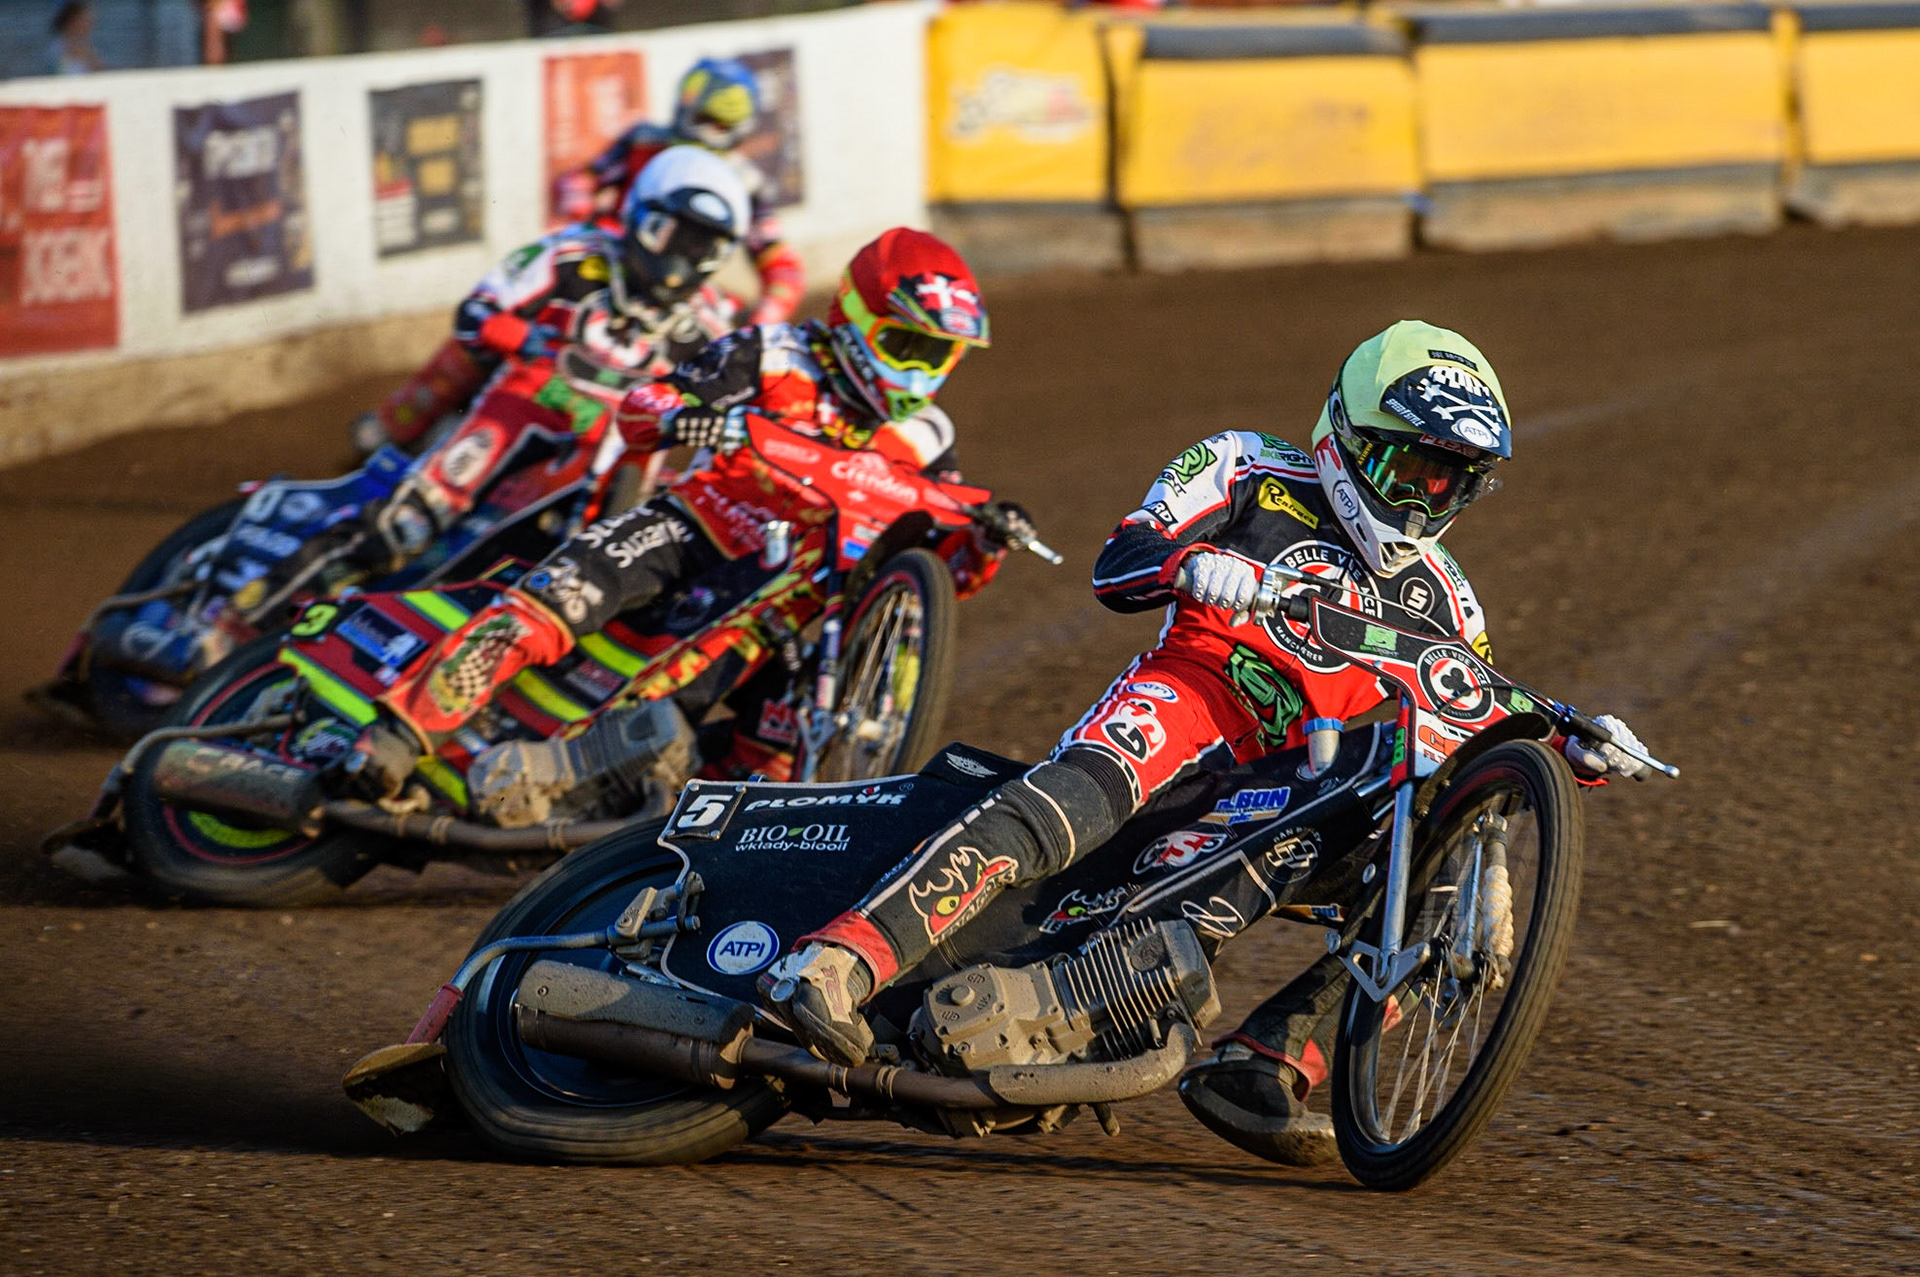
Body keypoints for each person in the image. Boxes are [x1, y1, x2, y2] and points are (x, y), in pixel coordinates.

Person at [753, 320, 1652, 1164]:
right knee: (1074, 796)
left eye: (1451, 478)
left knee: (1440, 878)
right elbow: (1119, 560)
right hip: (1186, 700)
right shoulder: (1247, 466)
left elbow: (1471, 717)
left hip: (1289, 780)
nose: (1423, 496)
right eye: (1409, 465)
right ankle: (837, 957)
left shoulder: (1447, 595)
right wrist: (1192, 563)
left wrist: (1566, 753)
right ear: (1348, 434)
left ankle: (1269, 1057)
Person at [334, 226, 1009, 799]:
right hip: (695, 525)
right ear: (857, 319)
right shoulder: (774, 354)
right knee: (553, 601)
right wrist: (691, 419)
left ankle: (636, 810)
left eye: (939, 354)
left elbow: (938, 560)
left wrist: (983, 544)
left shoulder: (929, 437)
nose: (921, 374)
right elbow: (643, 407)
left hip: (791, 598)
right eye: (906, 347)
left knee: (771, 746)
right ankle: (397, 731)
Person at [266, 146, 749, 608]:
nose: (679, 262)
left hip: (601, 477)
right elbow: (477, 314)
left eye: (700, 247)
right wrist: (527, 340)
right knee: (402, 527)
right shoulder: (571, 256)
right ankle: (242, 617)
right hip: (514, 419)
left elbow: (743, 399)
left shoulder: (709, 325)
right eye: (672, 236)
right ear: (641, 214)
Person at [356, 58, 804, 455]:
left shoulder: (742, 183)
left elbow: (783, 268)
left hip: (671, 296)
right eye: (705, 116)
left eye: (721, 124)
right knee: (489, 325)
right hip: (603, 265)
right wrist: (587, 226)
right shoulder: (643, 140)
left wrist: (756, 326)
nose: (710, 130)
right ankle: (398, 423)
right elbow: (578, 182)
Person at [49, 2, 103, 74]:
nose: (89, 26)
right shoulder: (57, 48)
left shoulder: (84, 46)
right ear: (72, 21)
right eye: (84, 21)